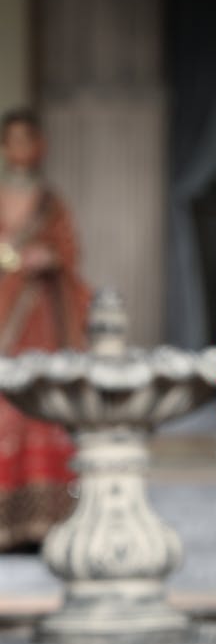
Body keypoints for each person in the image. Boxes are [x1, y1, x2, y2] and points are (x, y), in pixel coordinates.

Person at [0, 108, 90, 551]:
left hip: (40, 319)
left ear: (40, 146)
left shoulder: (50, 204)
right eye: (13, 141)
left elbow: (70, 254)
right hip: (3, 319)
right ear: (3, 147)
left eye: (28, 140)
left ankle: (41, 522)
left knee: (39, 410)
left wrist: (48, 260)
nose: (22, 149)